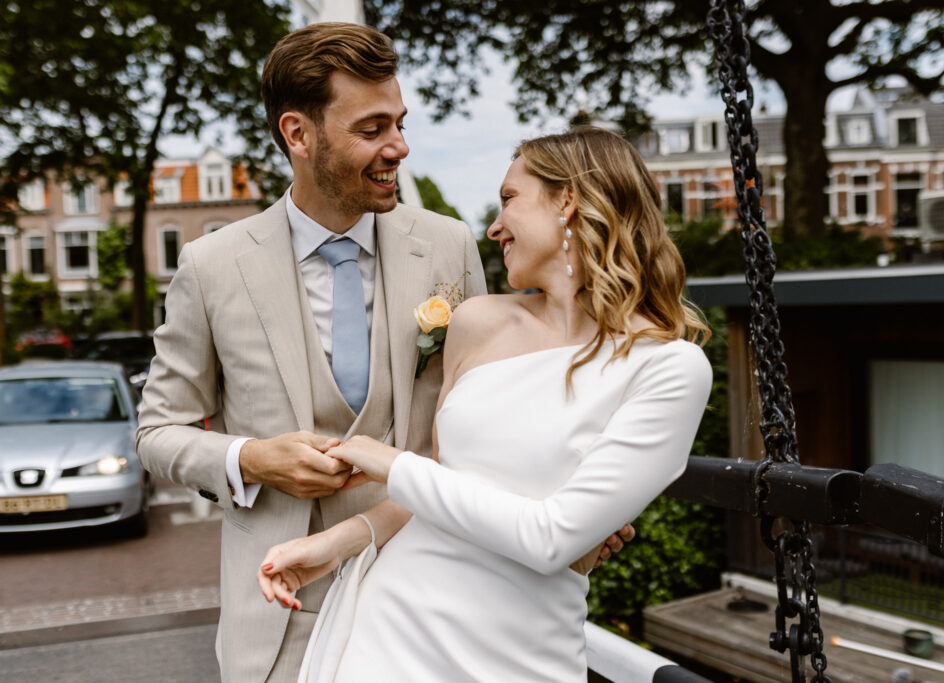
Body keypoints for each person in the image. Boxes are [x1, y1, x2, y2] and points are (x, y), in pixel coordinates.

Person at [137, 23, 627, 682]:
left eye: (399, 123)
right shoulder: (212, 265)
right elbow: (157, 431)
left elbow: (498, 417)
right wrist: (251, 457)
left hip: (435, 604)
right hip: (281, 622)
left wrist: (577, 498)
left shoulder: (449, 246)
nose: (398, 146)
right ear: (298, 135)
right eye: (372, 130)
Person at [257, 126, 714, 682]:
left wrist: (387, 461)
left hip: (520, 648)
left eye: (508, 199)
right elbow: (441, 488)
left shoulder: (667, 368)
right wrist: (338, 544)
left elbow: (550, 539)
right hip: (391, 630)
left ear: (568, 200)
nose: (494, 227)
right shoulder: (477, 322)